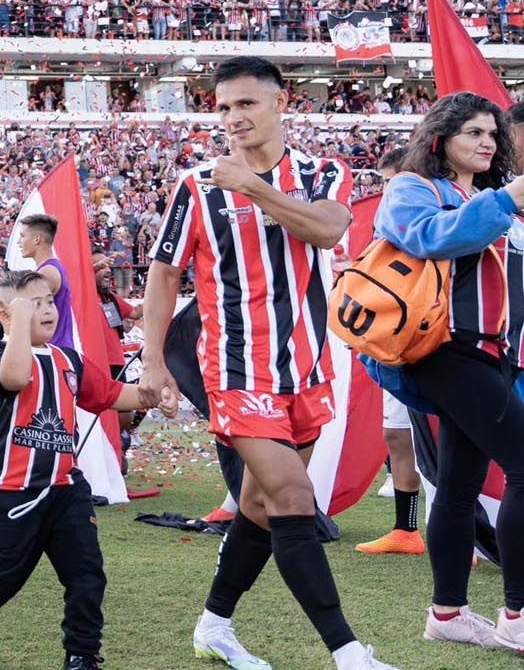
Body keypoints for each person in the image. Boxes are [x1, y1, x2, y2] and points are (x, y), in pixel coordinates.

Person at [140, 56, 394, 669]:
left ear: (282, 104)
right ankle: (349, 653)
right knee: (290, 496)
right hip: (233, 368)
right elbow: (165, 272)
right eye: (223, 107)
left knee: (257, 505)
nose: (232, 117)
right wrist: (153, 358)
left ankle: (214, 626)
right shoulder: (196, 185)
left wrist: (253, 186)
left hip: (306, 365)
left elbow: (331, 231)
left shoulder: (321, 172)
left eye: (246, 104)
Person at [0, 270, 174, 670]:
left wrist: (154, 395)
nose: (47, 309)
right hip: (11, 491)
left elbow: (114, 394)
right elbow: (15, 377)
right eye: (34, 303)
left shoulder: (69, 361)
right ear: (5, 313)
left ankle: (82, 653)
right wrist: (14, 322)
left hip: (66, 489)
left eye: (49, 301)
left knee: (86, 574)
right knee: (2, 579)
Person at [374, 92, 524, 650]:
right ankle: (517, 614)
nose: (487, 142)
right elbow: (430, 238)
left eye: (492, 134)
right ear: (440, 138)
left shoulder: (485, 195)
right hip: (445, 349)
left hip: (490, 354)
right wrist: (505, 201)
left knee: (459, 488)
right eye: (473, 133)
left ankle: (447, 613)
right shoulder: (412, 188)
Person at [354, 146, 426, 557]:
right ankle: (407, 530)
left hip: (428, 344)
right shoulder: (389, 226)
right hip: (393, 343)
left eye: (390, 181)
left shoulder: (431, 219)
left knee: (438, 444)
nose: (385, 190)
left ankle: (469, 534)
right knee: (397, 436)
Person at [93, 256, 144, 476]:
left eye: (108, 267)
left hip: (116, 362)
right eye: (100, 266)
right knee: (98, 411)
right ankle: (101, 454)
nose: (107, 270)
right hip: (95, 361)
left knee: (124, 411)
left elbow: (134, 313)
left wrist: (158, 290)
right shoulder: (84, 294)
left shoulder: (111, 298)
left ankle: (119, 442)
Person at [14, 214, 74, 350]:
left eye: (22, 236)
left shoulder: (47, 272)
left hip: (53, 349)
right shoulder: (51, 267)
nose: (19, 241)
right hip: (57, 348)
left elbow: (22, 310)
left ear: (36, 239)